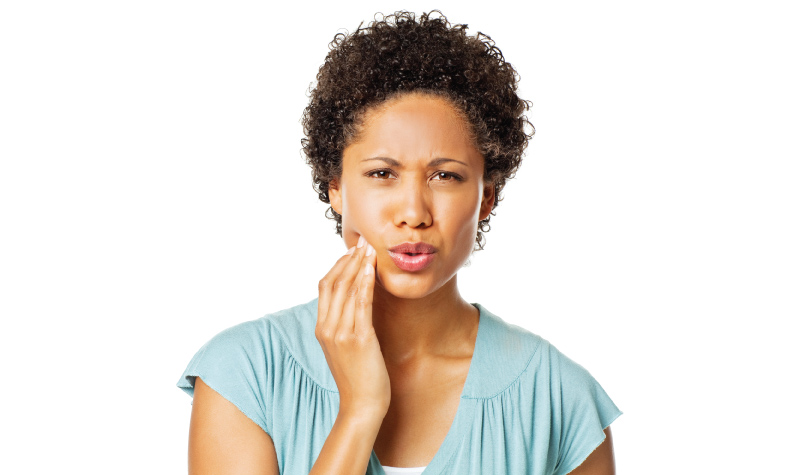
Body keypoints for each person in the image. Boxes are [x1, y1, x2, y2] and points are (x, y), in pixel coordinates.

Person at [177, 11, 621, 475]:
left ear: (486, 196)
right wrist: (360, 411)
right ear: (335, 188)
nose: (414, 212)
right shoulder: (244, 373)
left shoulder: (559, 398)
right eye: (382, 174)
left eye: (445, 176)